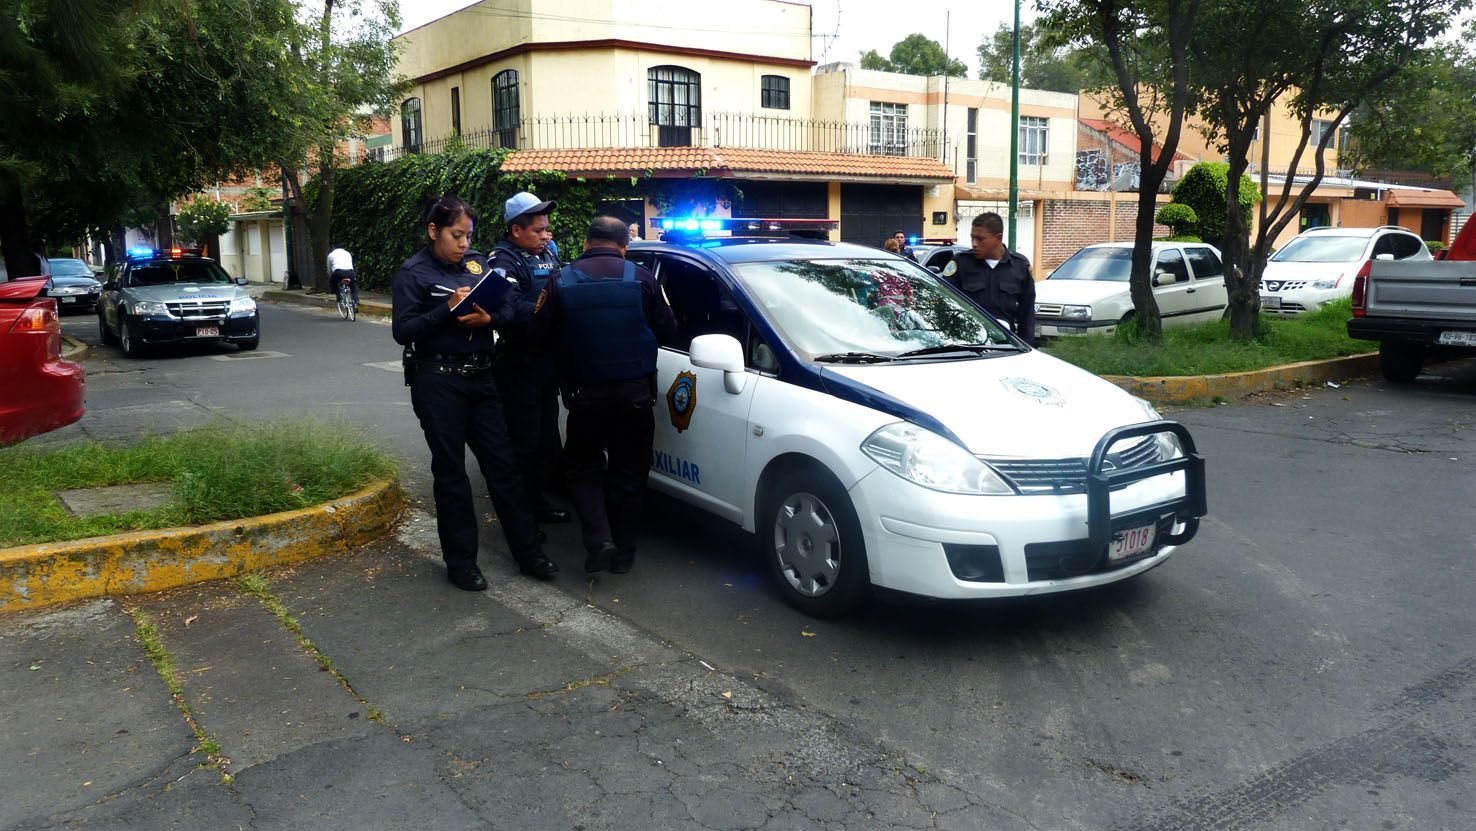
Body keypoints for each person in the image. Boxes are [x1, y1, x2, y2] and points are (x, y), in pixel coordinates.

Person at [391, 195, 559, 590]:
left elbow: (507, 313)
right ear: (434, 231)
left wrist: (489, 317)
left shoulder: (479, 264)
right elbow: (404, 331)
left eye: (468, 235)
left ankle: (528, 552)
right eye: (455, 235)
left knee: (503, 466)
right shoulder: (412, 273)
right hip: (438, 379)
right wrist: (446, 309)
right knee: (451, 473)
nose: (464, 243)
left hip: (482, 376)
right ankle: (461, 562)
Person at [529, 215, 677, 574]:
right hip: (635, 396)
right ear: (625, 244)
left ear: (585, 244)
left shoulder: (559, 280)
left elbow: (537, 335)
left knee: (582, 468)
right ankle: (623, 556)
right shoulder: (643, 278)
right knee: (629, 472)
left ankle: (598, 540)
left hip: (584, 396)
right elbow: (668, 329)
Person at [490, 191, 570, 533]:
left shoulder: (549, 254)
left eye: (547, 229)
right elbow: (509, 311)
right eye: (538, 230)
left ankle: (538, 502)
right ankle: (522, 516)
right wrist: (549, 312)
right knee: (524, 443)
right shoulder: (502, 261)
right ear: (516, 231)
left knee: (547, 440)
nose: (545, 236)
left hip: (547, 363)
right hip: (519, 364)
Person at [942, 212, 1037, 346]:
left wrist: (1026, 345)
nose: (974, 244)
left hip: (1005, 344)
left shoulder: (1020, 266)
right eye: (972, 238)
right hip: (967, 344)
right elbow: (946, 302)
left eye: (980, 239)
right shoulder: (961, 263)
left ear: (998, 238)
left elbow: (1027, 312)